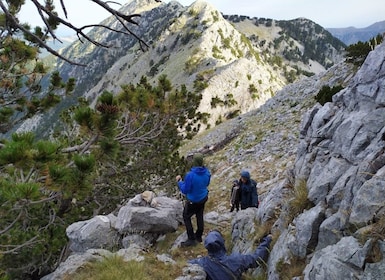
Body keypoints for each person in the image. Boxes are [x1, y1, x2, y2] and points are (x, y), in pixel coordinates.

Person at [189, 230, 272, 280]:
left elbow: (183, 267)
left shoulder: (200, 263)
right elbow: (257, 258)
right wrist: (266, 241)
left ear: (206, 246)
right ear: (222, 243)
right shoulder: (236, 259)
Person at [176, 153, 211, 247]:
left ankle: (191, 239)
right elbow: (207, 183)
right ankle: (199, 236)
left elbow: (185, 190)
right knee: (199, 215)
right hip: (203, 198)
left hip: (193, 201)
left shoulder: (190, 175)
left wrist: (179, 182)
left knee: (186, 216)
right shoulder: (207, 172)